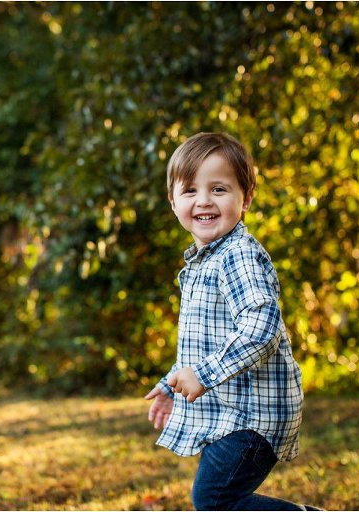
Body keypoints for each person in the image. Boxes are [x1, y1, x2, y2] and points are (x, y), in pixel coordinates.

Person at [145, 132, 309, 510]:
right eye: (189, 191)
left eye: (218, 189)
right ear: (173, 202)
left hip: (254, 414)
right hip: (232, 413)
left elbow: (261, 328)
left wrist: (202, 375)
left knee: (216, 500)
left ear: (245, 198)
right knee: (218, 500)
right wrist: (172, 385)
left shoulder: (238, 256)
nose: (203, 200)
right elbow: (202, 344)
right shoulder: (206, 261)